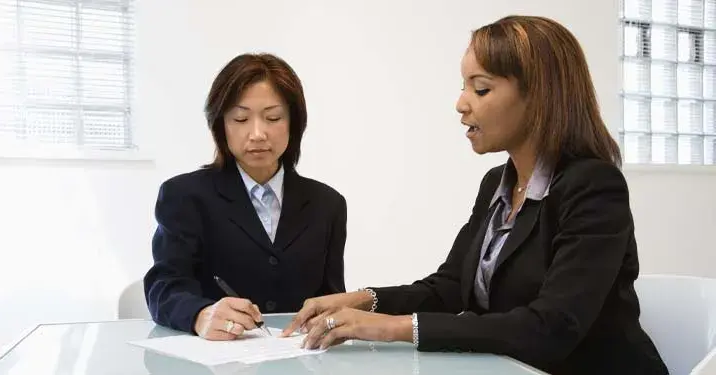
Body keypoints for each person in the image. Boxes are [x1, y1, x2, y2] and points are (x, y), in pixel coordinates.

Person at [282, 16, 668, 375]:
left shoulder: (594, 186)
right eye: (463, 86)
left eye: (480, 88)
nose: (461, 103)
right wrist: (363, 300)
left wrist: (391, 328)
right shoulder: (496, 184)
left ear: (539, 96)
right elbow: (450, 288)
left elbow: (552, 327)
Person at [144, 53, 347, 341]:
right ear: (221, 125)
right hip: (216, 359)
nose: (257, 133)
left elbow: (330, 298)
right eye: (240, 118)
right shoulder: (184, 196)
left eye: (273, 117)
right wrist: (200, 315)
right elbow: (164, 287)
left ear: (294, 122)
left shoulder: (329, 204)